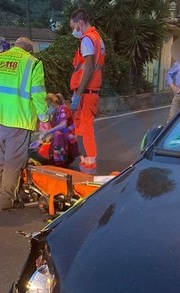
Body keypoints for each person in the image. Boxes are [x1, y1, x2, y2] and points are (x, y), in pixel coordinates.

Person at [0, 37, 48, 212]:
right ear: (28, 51)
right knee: (13, 163)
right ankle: (5, 202)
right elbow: (38, 93)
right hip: (19, 120)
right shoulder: (33, 63)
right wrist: (44, 118)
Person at [69, 9, 105, 175]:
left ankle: (89, 167)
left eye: (73, 26)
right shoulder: (97, 38)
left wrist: (78, 93)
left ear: (80, 23)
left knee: (86, 128)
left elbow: (89, 66)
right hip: (90, 91)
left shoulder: (87, 39)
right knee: (82, 129)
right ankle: (86, 164)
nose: (73, 31)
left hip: (86, 92)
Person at [37, 93, 77, 167]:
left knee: (57, 134)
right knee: (45, 141)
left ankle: (59, 161)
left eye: (48, 106)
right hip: (64, 138)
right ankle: (54, 158)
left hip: (70, 138)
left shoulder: (63, 109)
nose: (48, 109)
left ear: (53, 103)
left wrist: (47, 132)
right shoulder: (55, 115)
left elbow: (63, 125)